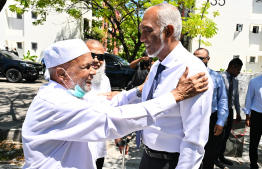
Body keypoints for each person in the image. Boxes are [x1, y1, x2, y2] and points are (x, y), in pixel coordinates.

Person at [22, 39, 209, 169]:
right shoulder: (56, 103)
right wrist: (175, 95)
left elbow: (106, 103)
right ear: (62, 74)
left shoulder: (67, 94)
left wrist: (138, 91)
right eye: (85, 67)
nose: (93, 71)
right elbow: (113, 119)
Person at [137, 3, 213, 169]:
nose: (142, 38)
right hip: (148, 158)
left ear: (168, 31)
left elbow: (194, 140)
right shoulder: (157, 66)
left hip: (173, 163)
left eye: (147, 31)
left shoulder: (193, 72)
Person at [84, 39, 128, 169]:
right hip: (79, 145)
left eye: (101, 56)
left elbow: (109, 110)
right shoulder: (74, 79)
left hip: (98, 144)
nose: (97, 60)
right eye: (92, 55)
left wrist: (118, 138)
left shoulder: (104, 80)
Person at [194, 48, 228, 169]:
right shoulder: (186, 75)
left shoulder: (216, 77)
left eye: (201, 58)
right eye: (195, 57)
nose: (197, 60)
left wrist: (220, 121)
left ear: (208, 59)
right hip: (192, 119)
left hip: (211, 120)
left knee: (210, 153)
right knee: (191, 153)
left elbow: (223, 100)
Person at [215, 58, 243, 168]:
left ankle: (221, 155)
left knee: (226, 135)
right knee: (218, 135)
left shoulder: (235, 81)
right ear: (232, 67)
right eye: (238, 70)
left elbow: (235, 97)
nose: (239, 73)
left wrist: (238, 112)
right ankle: (215, 157)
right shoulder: (219, 78)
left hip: (229, 111)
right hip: (219, 111)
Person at [243, 75, 262, 169]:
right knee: (254, 142)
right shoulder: (254, 81)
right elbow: (249, 99)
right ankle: (253, 164)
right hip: (257, 116)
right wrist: (247, 117)